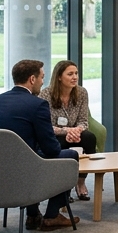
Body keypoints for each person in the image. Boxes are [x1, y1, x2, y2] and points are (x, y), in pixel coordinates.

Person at [0, 59, 79, 232]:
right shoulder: (37, 104)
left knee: (30, 156)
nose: (43, 82)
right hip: (26, 171)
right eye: (41, 77)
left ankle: (33, 215)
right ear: (32, 79)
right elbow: (51, 149)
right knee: (70, 156)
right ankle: (52, 216)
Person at [39, 59, 97, 201]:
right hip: (55, 134)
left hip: (75, 132)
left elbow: (84, 120)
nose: (75, 77)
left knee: (89, 138)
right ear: (59, 77)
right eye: (70, 74)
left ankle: (80, 182)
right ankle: (64, 188)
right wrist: (67, 131)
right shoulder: (45, 95)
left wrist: (76, 130)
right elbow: (45, 126)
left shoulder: (82, 92)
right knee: (61, 144)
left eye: (76, 73)